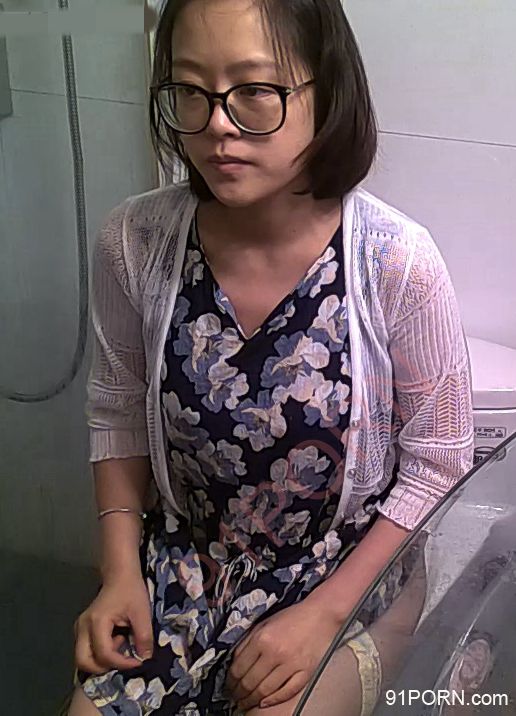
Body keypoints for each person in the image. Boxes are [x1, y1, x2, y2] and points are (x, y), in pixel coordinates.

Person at [68, 0, 474, 714]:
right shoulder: (134, 242)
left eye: (255, 90)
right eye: (190, 90)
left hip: (349, 579)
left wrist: (324, 615)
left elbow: (439, 460)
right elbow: (118, 408)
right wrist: (119, 571)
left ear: (327, 90)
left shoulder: (396, 263)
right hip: (183, 569)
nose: (217, 124)